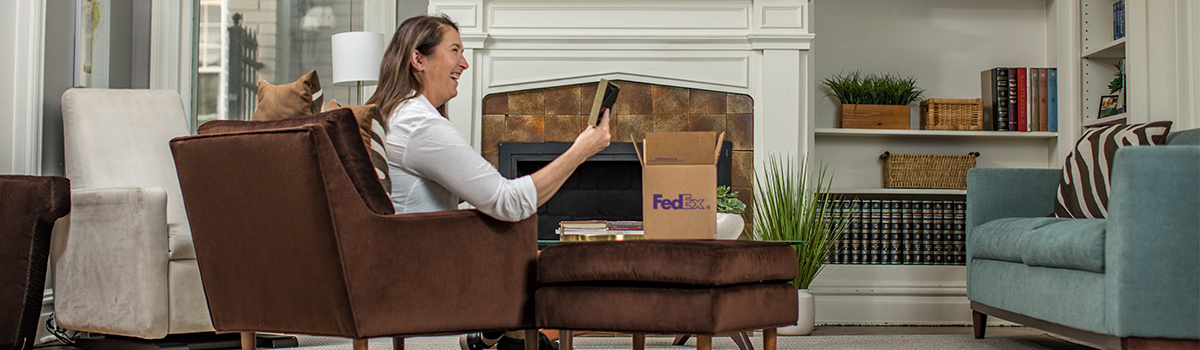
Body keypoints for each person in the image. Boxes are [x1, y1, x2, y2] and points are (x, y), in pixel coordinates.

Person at [365, 14, 612, 350]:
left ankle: (498, 335)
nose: (465, 63)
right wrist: (580, 152)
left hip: (407, 260)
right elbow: (508, 203)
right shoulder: (418, 123)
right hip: (428, 274)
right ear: (418, 59)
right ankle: (514, 337)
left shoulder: (392, 114)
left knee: (514, 235)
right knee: (538, 248)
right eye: (455, 50)